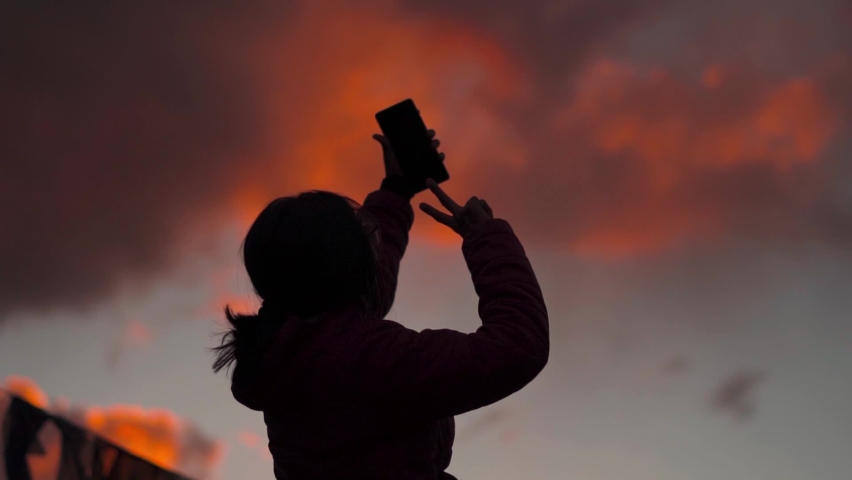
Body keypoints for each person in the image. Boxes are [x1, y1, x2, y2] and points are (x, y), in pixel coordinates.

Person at [212, 129, 550, 479]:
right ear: (345, 263)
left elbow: (364, 296)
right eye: (363, 231)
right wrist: (487, 238)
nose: (373, 231)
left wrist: (397, 189)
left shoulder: (287, 352)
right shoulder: (371, 360)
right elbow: (517, 347)